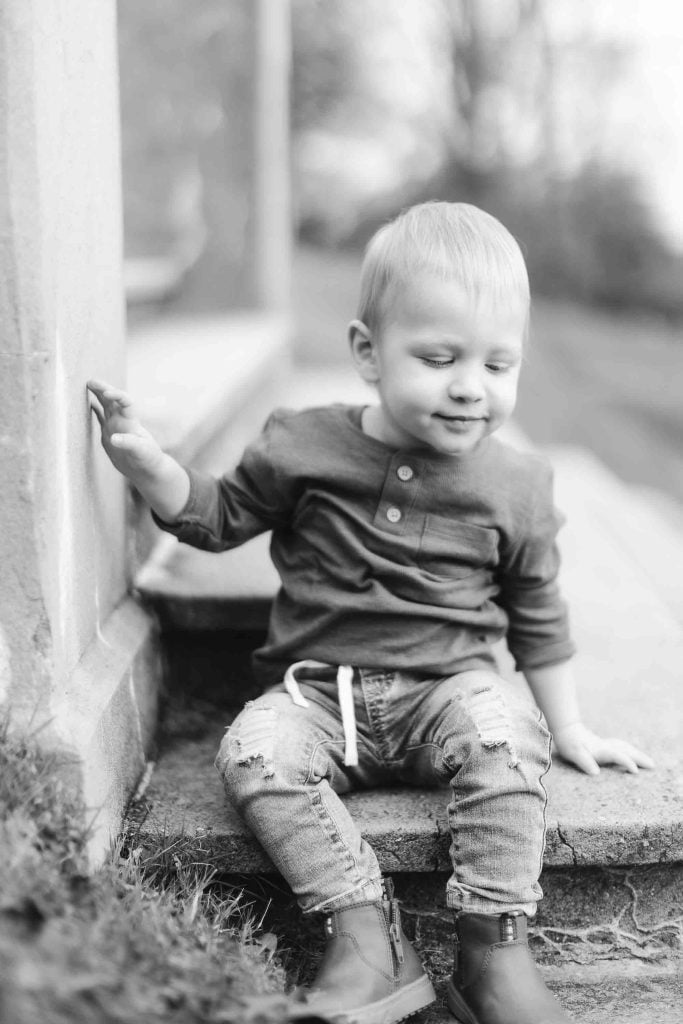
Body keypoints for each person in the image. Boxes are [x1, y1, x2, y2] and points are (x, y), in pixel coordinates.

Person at [88, 202, 653, 1024]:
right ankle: (365, 943)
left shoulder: (517, 486)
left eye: (500, 366)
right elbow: (216, 516)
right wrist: (149, 469)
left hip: (445, 692)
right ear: (367, 353)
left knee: (507, 737)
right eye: (438, 357)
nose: (471, 386)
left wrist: (567, 729)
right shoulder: (303, 443)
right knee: (253, 751)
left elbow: (537, 612)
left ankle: (493, 953)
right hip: (320, 693)